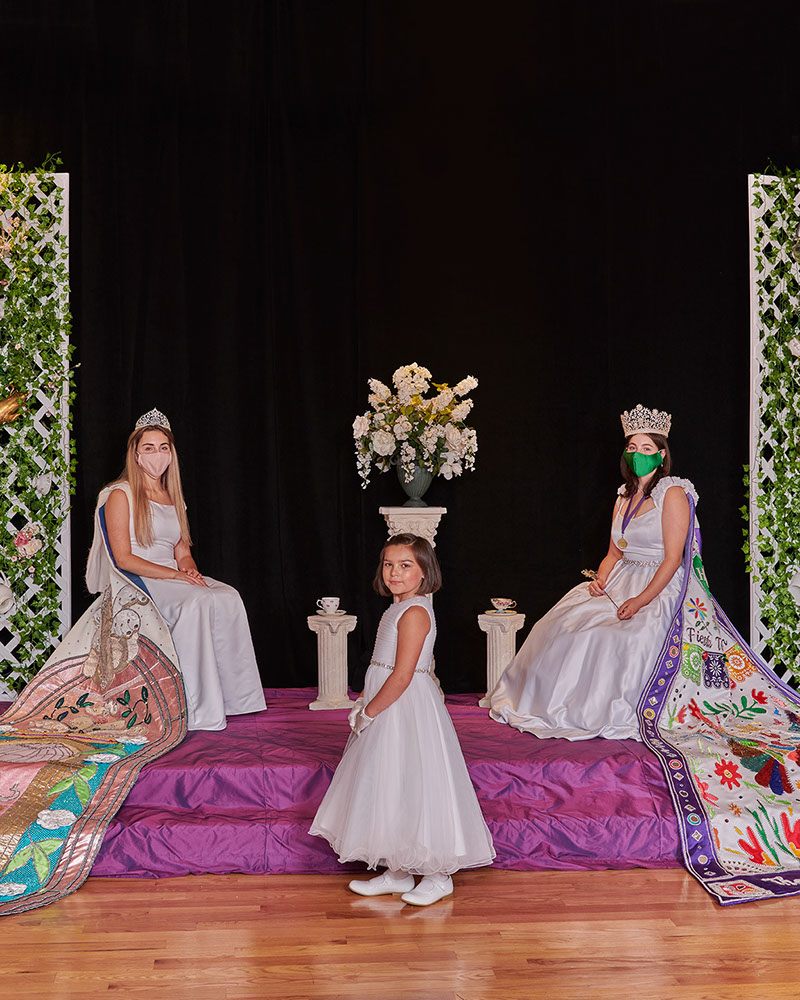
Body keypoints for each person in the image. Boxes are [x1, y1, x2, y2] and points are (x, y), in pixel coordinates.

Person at [489, 404, 696, 741]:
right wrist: (601, 580)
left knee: (615, 638)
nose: (638, 454)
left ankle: (601, 711)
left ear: (661, 455)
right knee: (563, 625)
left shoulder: (672, 493)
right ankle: (555, 707)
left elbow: (673, 560)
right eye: (632, 447)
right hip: (621, 578)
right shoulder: (623, 497)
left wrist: (640, 601)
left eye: (646, 448)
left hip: (657, 584)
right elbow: (614, 553)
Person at [309, 533, 495, 906]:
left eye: (405, 565)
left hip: (405, 707)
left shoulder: (415, 612)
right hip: (389, 704)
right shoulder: (400, 608)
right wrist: (367, 700)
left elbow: (403, 675)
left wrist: (369, 711)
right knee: (391, 782)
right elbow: (384, 666)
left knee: (416, 782)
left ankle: (438, 875)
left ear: (425, 571)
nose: (394, 572)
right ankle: (398, 869)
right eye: (389, 564)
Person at [89, 407, 266, 731]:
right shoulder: (120, 494)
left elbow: (182, 552)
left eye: (163, 447)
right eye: (149, 448)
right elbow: (123, 558)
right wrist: (176, 576)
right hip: (138, 578)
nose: (157, 454)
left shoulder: (173, 497)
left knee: (228, 597)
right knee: (196, 602)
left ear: (171, 453)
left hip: (173, 574)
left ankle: (235, 699)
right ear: (136, 454)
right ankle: (194, 708)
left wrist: (190, 572)